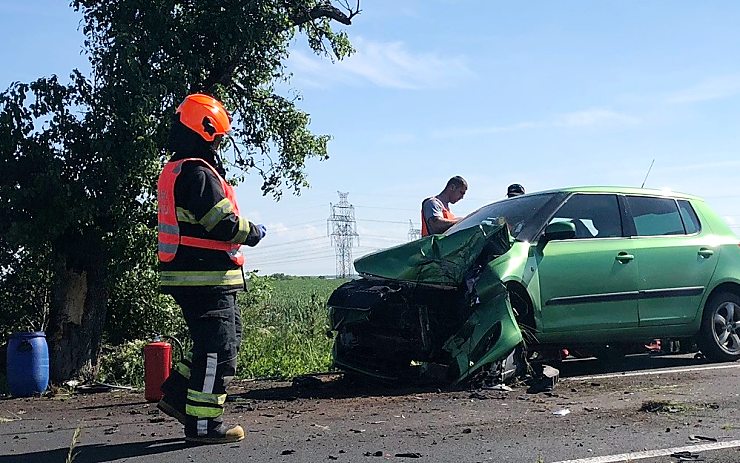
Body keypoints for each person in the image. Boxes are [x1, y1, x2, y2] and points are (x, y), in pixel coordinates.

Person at [156, 94, 266, 444]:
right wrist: (253, 231)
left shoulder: (182, 169)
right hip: (205, 279)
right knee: (218, 349)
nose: (219, 143)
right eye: (218, 137)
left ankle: (176, 397)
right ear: (205, 131)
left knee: (217, 345)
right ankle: (204, 425)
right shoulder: (197, 173)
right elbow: (221, 223)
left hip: (200, 278)